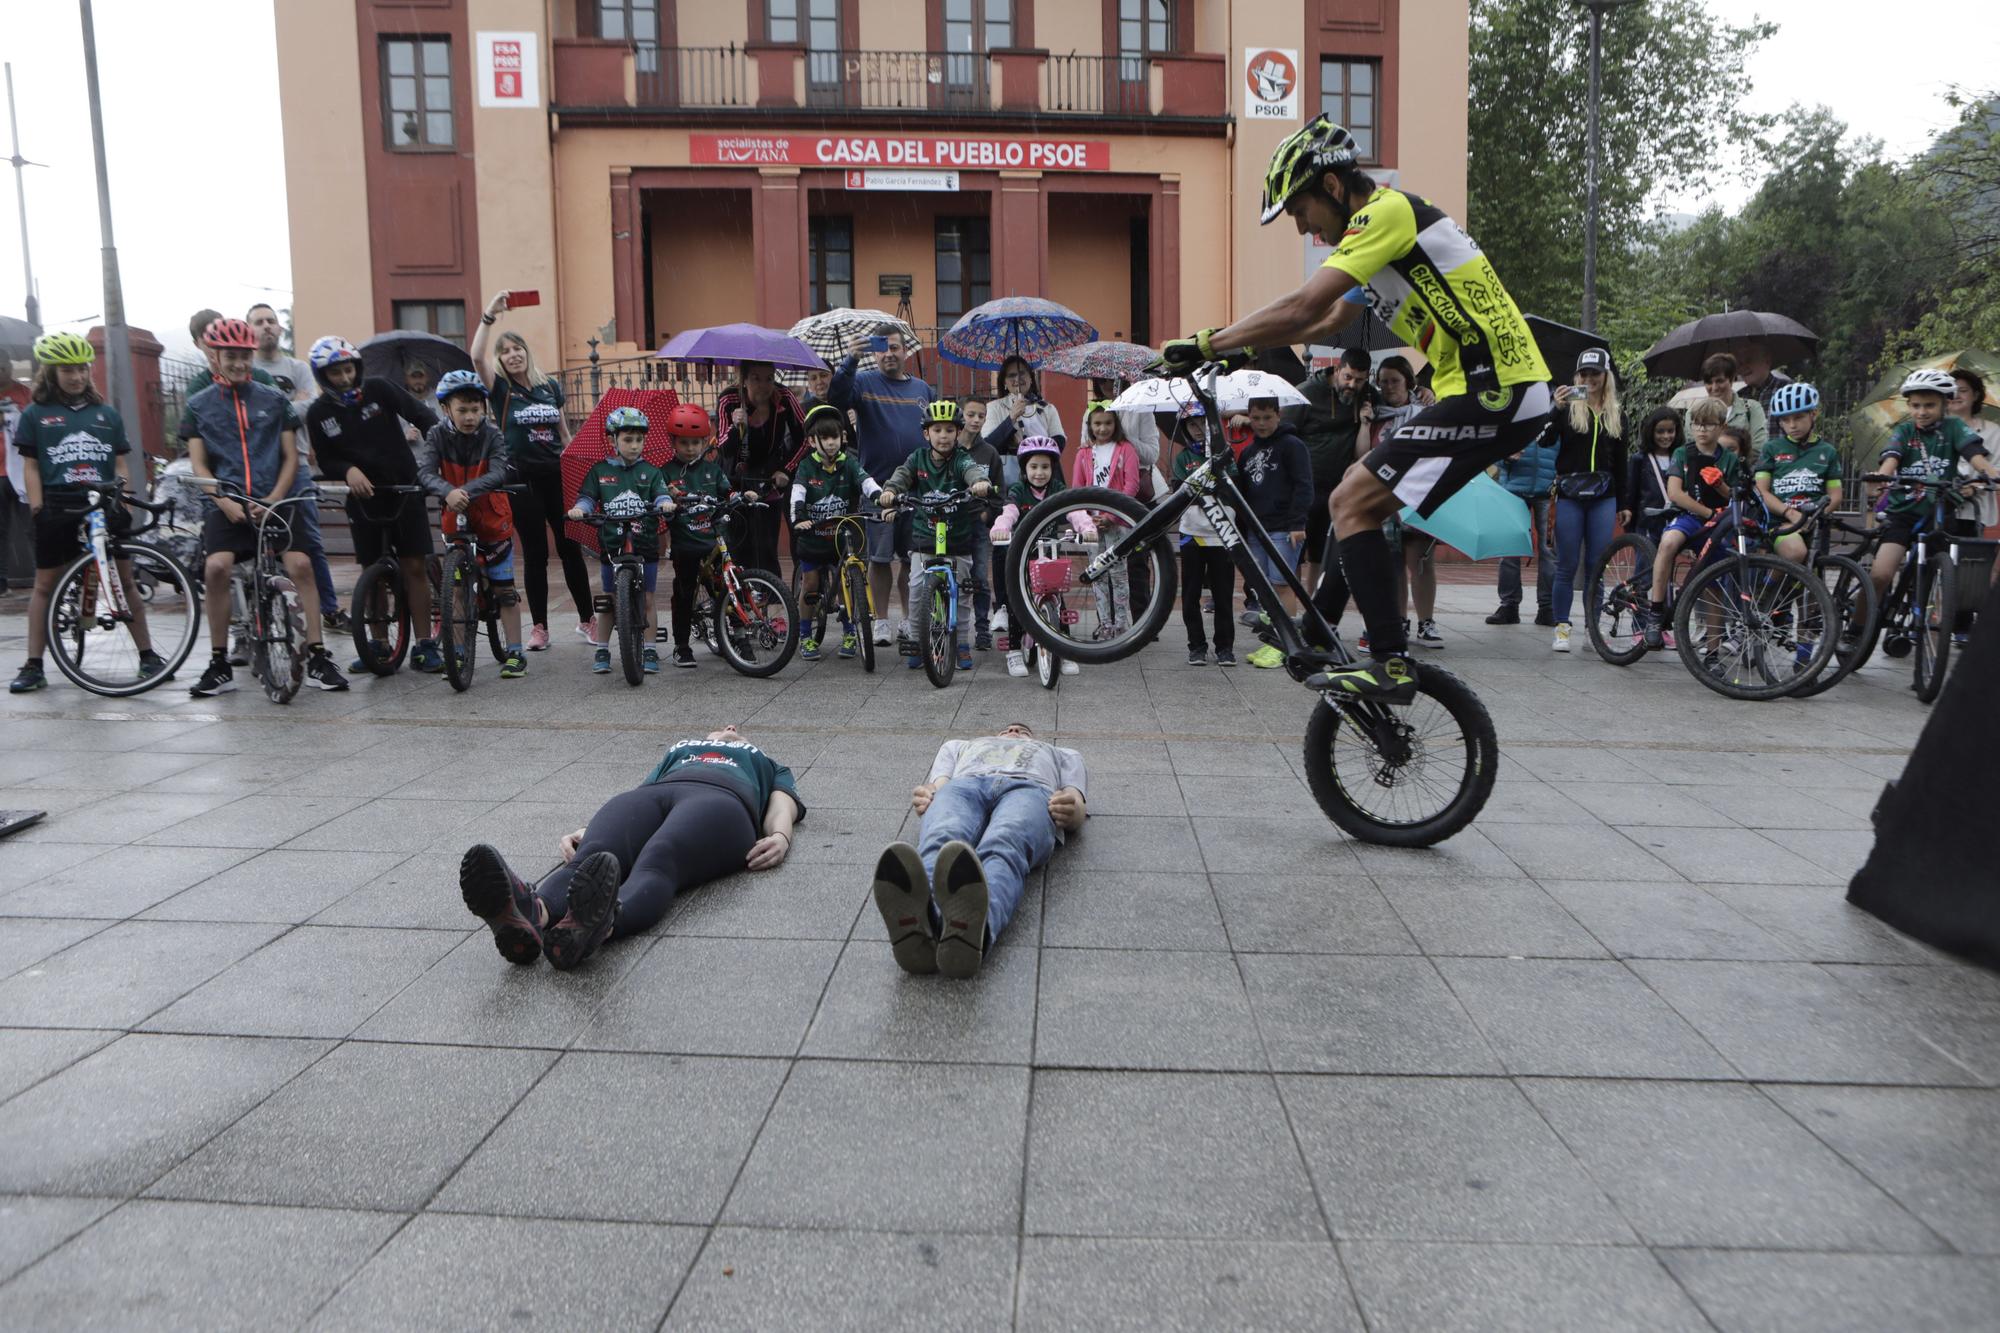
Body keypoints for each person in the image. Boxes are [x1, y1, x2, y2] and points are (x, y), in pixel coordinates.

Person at [1162, 114, 1551, 699]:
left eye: (1300, 211)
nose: (1302, 230)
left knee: (1349, 498)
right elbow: (1325, 318)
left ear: (1333, 187)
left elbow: (1301, 304)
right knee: (1355, 493)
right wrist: (1238, 351)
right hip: (1485, 392)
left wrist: (1204, 342)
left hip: (1498, 387)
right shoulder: (1375, 242)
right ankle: (1321, 633)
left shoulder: (1385, 214)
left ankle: (1390, 660)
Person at [460, 724, 802, 971]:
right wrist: (587, 828)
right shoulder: (681, 750)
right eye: (720, 729)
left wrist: (780, 836)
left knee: (660, 857)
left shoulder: (767, 762)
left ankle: (599, 923)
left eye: (736, 731)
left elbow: (782, 803)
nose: (728, 728)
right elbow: (641, 794)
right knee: (593, 854)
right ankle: (532, 913)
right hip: (654, 795)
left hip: (722, 801)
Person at [181, 318, 349, 696]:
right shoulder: (198, 404)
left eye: (244, 356)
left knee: (302, 565)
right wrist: (222, 501)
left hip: (274, 498)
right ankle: (219, 662)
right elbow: (199, 464)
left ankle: (319, 655)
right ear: (215, 356)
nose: (239, 363)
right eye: (230, 356)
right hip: (228, 501)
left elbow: (292, 456)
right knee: (216, 567)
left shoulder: (273, 398)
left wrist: (273, 497)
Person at [8, 333, 169, 694]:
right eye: (68, 370)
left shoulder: (106, 415)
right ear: (52, 372)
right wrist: (37, 508)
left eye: (82, 369)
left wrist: (123, 498)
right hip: (58, 503)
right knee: (45, 585)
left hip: (104, 502)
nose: (77, 376)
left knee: (124, 581)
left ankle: (148, 657)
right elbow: (31, 466)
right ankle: (33, 665)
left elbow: (121, 462)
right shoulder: (35, 415)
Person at [871, 722, 1086, 980]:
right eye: (1009, 728)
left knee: (1006, 844)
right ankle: (923, 921)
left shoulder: (1062, 753)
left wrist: (1072, 812)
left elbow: (1076, 803)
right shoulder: (959, 746)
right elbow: (937, 785)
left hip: (1030, 788)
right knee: (941, 837)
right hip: (964, 786)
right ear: (997, 734)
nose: (1014, 732)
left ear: (1033, 738)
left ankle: (975, 932)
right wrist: (928, 794)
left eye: (1022, 730)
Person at [302, 334, 443, 673]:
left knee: (413, 566)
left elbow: (423, 416)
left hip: (404, 488)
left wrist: (436, 452)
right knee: (373, 572)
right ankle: (379, 644)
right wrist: (347, 471)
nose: (345, 378)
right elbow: (325, 458)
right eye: (336, 373)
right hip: (363, 498)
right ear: (323, 376)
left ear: (357, 367)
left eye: (349, 369)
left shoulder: (380, 389)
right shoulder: (319, 413)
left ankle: (424, 644)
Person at [473, 290, 592, 652]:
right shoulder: (501, 389)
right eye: (505, 351)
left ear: (526, 352)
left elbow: (563, 432)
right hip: (520, 478)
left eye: (517, 348)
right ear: (501, 360)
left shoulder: (548, 387)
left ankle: (587, 621)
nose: (512, 354)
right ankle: (539, 627)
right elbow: (476, 356)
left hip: (556, 473)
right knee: (536, 553)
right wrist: (490, 316)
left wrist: (574, 457)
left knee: (571, 547)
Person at [416, 370, 528, 678]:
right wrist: (447, 492)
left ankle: (516, 652)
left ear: (484, 409)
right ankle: (459, 653)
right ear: (446, 409)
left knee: (505, 589)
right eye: (462, 410)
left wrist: (466, 491)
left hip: (493, 518)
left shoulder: (492, 434)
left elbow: (499, 472)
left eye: (475, 409)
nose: (469, 416)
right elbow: (425, 472)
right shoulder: (436, 435)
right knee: (456, 591)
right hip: (456, 518)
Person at [828, 325, 932, 647]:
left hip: (917, 488)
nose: (889, 353)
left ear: (906, 352)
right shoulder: (863, 382)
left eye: (896, 347)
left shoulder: (923, 389)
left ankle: (907, 620)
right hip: (878, 487)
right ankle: (882, 621)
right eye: (883, 348)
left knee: (913, 557)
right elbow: (836, 398)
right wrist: (850, 361)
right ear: (875, 352)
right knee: (880, 558)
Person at [876, 400, 992, 673]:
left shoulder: (962, 458)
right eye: (937, 430)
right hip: (924, 537)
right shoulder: (917, 458)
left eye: (949, 430)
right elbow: (902, 475)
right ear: (926, 434)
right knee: (917, 590)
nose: (943, 436)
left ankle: (961, 643)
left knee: (962, 594)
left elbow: (971, 470)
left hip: (958, 538)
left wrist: (978, 483)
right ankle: (917, 641)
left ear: (958, 432)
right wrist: (891, 491)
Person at [1870, 368, 1999, 604]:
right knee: (1880, 575)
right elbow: (1891, 458)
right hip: (1902, 513)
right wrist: (1882, 476)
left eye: (1929, 405)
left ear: (1945, 404)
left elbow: (1975, 456)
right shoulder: (1905, 430)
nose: (1921, 412)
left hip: (1938, 514)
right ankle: (1856, 631)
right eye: (1915, 405)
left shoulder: (1955, 429)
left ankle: (1922, 627)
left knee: (1930, 577)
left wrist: (1992, 475)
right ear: (1909, 405)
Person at [567, 406, 675, 675]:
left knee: (648, 599)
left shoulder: (651, 471)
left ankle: (649, 649)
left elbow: (661, 494)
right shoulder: (600, 470)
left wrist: (665, 503)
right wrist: (581, 508)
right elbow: (588, 497)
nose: (635, 445)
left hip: (645, 543)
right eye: (628, 439)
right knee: (610, 599)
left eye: (639, 440)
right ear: (612, 439)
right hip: (611, 543)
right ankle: (602, 648)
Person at [1546, 348, 1630, 654]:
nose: (1589, 379)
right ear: (1577, 376)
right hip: (1569, 493)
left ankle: (1592, 628)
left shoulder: (1617, 413)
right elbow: (1543, 439)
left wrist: (1624, 502)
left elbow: (1621, 462)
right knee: (1566, 563)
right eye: (1584, 374)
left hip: (1603, 496)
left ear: (1606, 376)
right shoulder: (1568, 408)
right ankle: (1561, 627)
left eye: (1595, 373)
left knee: (1597, 564)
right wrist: (1555, 409)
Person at [1642, 397, 1736, 650]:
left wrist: (1721, 486)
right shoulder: (1683, 453)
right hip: (1690, 516)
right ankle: (1655, 611)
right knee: (1668, 542)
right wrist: (1707, 512)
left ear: (1722, 427)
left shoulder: (1728, 459)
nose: (1701, 430)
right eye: (1696, 424)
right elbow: (1675, 493)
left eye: (1708, 425)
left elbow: (1735, 496)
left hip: (1717, 525)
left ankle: (1714, 649)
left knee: (1713, 579)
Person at [790, 404, 881, 662]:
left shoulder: (848, 463)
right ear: (811, 441)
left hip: (843, 537)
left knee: (847, 582)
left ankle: (850, 632)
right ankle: (805, 636)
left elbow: (866, 481)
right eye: (825, 438)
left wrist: (881, 495)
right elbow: (798, 494)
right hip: (814, 537)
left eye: (835, 437)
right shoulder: (807, 467)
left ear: (843, 437)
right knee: (810, 584)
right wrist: (799, 519)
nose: (831, 443)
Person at [1233, 395, 1314, 667]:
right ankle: (1272, 641)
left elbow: (1304, 486)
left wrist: (1298, 523)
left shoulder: (1292, 445)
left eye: (1267, 417)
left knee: (1282, 585)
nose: (1261, 423)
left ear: (1279, 415)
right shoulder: (1248, 451)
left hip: (1284, 528)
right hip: (1257, 528)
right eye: (1255, 418)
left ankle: (1287, 644)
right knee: (1266, 587)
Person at [1371, 356, 1443, 650]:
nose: (1389, 387)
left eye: (1395, 381)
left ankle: (1426, 622)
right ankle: (1399, 620)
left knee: (1422, 560)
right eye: (1384, 381)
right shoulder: (1374, 413)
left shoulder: (1425, 410)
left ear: (1409, 382)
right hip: (1383, 494)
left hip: (1417, 491)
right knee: (1393, 562)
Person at [989, 434, 1073, 678]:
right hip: (1023, 555)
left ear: (1053, 469)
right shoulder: (1018, 490)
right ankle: (1014, 652)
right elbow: (1009, 512)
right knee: (1019, 604)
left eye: (1045, 467)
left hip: (1049, 554)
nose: (1039, 472)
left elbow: (1073, 510)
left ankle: (1064, 651)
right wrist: (1001, 527)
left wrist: (1085, 526)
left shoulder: (1057, 489)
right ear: (1025, 469)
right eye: (1034, 466)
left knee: (1059, 603)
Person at [1294, 347, 1374, 599]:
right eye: (1348, 377)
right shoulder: (1307, 392)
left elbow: (1397, 397)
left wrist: (1421, 391)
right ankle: (1289, 606)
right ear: (1337, 370)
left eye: (1359, 380)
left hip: (1336, 489)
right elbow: (1284, 430)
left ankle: (1313, 609)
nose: (1352, 384)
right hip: (1303, 486)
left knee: (1321, 554)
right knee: (1294, 551)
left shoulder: (1367, 396)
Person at [716, 359, 809, 576]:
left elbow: (806, 438)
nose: (764, 386)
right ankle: (737, 603)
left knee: (767, 548)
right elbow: (723, 448)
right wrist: (734, 426)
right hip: (735, 479)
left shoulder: (784, 397)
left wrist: (786, 469)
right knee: (738, 549)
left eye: (769, 378)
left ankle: (771, 603)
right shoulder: (729, 399)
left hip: (770, 478)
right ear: (744, 380)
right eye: (756, 379)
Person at [658, 402, 732, 669]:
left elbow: (727, 491)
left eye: (696, 443)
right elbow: (659, 503)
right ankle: (681, 645)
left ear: (705, 442)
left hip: (713, 541)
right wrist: (666, 496)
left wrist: (739, 497)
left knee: (723, 589)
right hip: (685, 544)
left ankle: (730, 636)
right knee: (684, 593)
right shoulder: (665, 473)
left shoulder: (712, 470)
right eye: (684, 443)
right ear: (673, 442)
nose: (690, 449)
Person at [1069, 401, 1146, 640]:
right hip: (1091, 525)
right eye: (1097, 424)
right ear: (1090, 426)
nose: (1103, 428)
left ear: (1116, 424)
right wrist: (1087, 520)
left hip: (1117, 522)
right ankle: (1104, 623)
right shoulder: (1083, 453)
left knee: (1119, 574)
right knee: (1097, 574)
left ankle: (1121, 624)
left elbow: (1131, 485)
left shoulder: (1126, 449)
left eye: (1108, 423)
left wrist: (1111, 515)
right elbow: (1077, 489)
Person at [1168, 408, 1237, 665]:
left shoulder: (1225, 456)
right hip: (1191, 535)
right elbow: (1180, 494)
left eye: (1202, 423)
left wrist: (1207, 488)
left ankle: (1225, 648)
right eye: (1192, 425)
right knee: (1190, 594)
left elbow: (1232, 490)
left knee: (1223, 595)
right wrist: (1207, 490)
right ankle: (1196, 646)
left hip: (1222, 534)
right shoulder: (1182, 458)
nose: (1198, 429)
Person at [1755, 383, 1842, 566]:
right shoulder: (1771, 448)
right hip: (1781, 523)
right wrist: (1791, 514)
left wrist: (1814, 518)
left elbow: (1835, 496)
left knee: (1814, 581)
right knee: (1796, 552)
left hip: (1815, 524)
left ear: (1813, 414)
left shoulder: (1828, 452)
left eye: (1798, 417)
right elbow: (1761, 492)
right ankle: (1766, 590)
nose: (1792, 425)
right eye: (1785, 420)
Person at [1490, 414, 1558, 628]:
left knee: (1549, 552)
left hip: (1549, 491)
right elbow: (1493, 449)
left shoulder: (1559, 414)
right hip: (1513, 489)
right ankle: (1509, 606)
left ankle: (1547, 608)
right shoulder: (1514, 412)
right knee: (1509, 550)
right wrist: (1507, 458)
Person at [982, 355, 1067, 493]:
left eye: (1022, 373)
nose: (1017, 379)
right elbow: (989, 446)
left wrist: (1031, 447)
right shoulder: (994, 408)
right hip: (1010, 478)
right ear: (1004, 381)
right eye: (1011, 375)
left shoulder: (1047, 408)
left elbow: (1059, 442)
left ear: (1031, 377)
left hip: (1045, 477)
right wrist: (1012, 418)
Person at [959, 396, 1002, 651]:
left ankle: (983, 629)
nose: (975, 420)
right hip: (952, 523)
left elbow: (999, 492)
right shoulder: (949, 446)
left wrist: (989, 514)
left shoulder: (989, 452)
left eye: (981, 416)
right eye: (971, 414)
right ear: (962, 415)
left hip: (977, 523)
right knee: (957, 578)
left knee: (980, 579)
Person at [1949, 368, 2000, 544]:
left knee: (1967, 565)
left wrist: (1975, 486)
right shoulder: (1932, 431)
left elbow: (1998, 472)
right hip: (1935, 510)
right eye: (1951, 390)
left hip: (1974, 512)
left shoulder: (1993, 432)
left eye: (1963, 391)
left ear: (1976, 395)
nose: (1956, 395)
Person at [1690, 353, 1768, 453]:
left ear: (1731, 380)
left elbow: (1759, 447)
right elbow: (1691, 447)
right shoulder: (1693, 413)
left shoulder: (1751, 408)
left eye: (1720, 381)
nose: (1714, 388)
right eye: (1709, 382)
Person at [1628, 407, 1682, 548]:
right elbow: (1631, 494)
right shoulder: (1639, 459)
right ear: (1650, 432)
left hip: (1674, 523)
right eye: (1660, 431)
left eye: (1670, 431)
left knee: (1667, 566)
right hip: (1647, 524)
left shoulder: (1681, 458)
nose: (1666, 436)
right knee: (1645, 566)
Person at [0, 357, 30, 597]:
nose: (2, 372)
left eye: (4, 367)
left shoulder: (25, 393)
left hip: (22, 470)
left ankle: (43, 574)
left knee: (32, 526)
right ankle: (1, 581)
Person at [246, 304, 312, 403]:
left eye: (271, 321)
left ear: (280, 329)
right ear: (248, 333)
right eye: (259, 323)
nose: (267, 326)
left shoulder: (300, 368)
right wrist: (294, 403)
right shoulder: (245, 370)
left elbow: (309, 408)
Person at [1726, 338, 1793, 410]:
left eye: (1749, 360)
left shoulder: (1788, 390)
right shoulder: (1738, 397)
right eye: (1740, 363)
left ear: (1767, 360)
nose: (1743, 368)